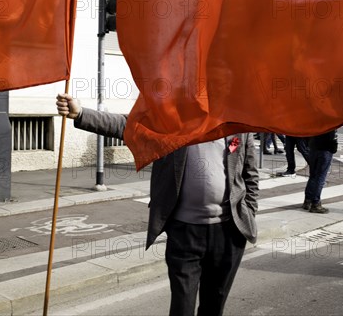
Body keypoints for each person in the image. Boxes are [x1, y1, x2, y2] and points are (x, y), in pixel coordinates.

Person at [56, 94, 259, 316]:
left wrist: (249, 209)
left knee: (214, 307)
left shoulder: (237, 123)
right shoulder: (172, 119)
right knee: (182, 308)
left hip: (228, 233)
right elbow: (128, 125)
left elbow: (250, 173)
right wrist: (82, 113)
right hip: (185, 232)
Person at [302, 130, 338, 214]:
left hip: (313, 147)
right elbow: (333, 136)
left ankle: (307, 201)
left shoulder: (315, 119)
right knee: (320, 177)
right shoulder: (331, 121)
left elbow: (306, 133)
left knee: (313, 175)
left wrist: (309, 144)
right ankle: (315, 203)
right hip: (325, 149)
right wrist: (333, 148)